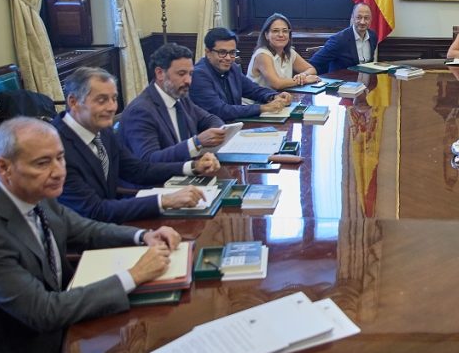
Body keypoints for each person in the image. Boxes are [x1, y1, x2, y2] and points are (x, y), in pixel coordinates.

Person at [0, 117, 181, 353]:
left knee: (159, 342)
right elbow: (44, 312)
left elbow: (85, 228)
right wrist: (133, 275)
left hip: (65, 326)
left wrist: (142, 236)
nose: (58, 171)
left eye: (61, 157)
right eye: (43, 163)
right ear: (4, 168)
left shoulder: (35, 195)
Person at [52, 67, 212, 223]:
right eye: (102, 100)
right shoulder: (55, 147)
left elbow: (138, 170)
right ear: (73, 102)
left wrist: (192, 167)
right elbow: (94, 210)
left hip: (112, 222)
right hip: (82, 238)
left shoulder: (102, 131)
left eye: (114, 99)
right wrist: (164, 200)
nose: (111, 107)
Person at [119, 43, 226, 164]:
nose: (188, 81)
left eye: (190, 74)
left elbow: (210, 119)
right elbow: (149, 160)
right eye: (181, 74)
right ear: (160, 73)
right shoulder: (140, 111)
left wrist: (215, 134)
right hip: (157, 181)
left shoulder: (181, 97)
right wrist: (195, 143)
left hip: (186, 172)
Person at [192, 26, 294, 121]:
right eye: (222, 52)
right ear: (208, 52)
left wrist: (274, 96)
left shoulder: (233, 68)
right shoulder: (198, 75)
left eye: (232, 52)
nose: (228, 58)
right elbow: (220, 110)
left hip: (233, 125)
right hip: (211, 133)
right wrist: (263, 108)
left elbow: (253, 90)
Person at [246, 14, 320, 90]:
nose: (281, 35)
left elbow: (312, 69)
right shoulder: (262, 55)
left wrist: (303, 75)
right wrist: (304, 80)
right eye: (275, 31)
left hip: (278, 98)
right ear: (266, 35)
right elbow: (276, 84)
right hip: (256, 101)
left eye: (285, 31)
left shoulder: (289, 52)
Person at [309, 3, 380, 74]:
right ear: (352, 18)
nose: (362, 22)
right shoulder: (339, 40)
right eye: (359, 17)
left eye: (366, 18)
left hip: (366, 83)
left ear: (371, 19)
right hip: (343, 82)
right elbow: (314, 62)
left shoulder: (373, 36)